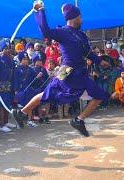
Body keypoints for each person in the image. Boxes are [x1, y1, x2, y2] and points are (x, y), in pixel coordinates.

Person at [14, 2, 110, 137]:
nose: (81, 19)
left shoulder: (81, 35)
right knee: (47, 93)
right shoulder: (63, 32)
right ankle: (22, 112)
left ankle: (78, 120)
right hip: (66, 70)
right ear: (74, 18)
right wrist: (40, 12)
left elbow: (88, 53)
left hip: (79, 71)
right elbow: (46, 32)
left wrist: (100, 61)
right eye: (80, 17)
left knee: (100, 95)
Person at [0, 39, 17, 133]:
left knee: (8, 104)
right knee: (2, 105)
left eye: (9, 48)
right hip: (1, 85)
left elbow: (13, 74)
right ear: (1, 49)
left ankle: (7, 122)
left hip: (9, 84)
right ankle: (2, 125)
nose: (8, 50)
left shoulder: (11, 60)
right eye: (5, 48)